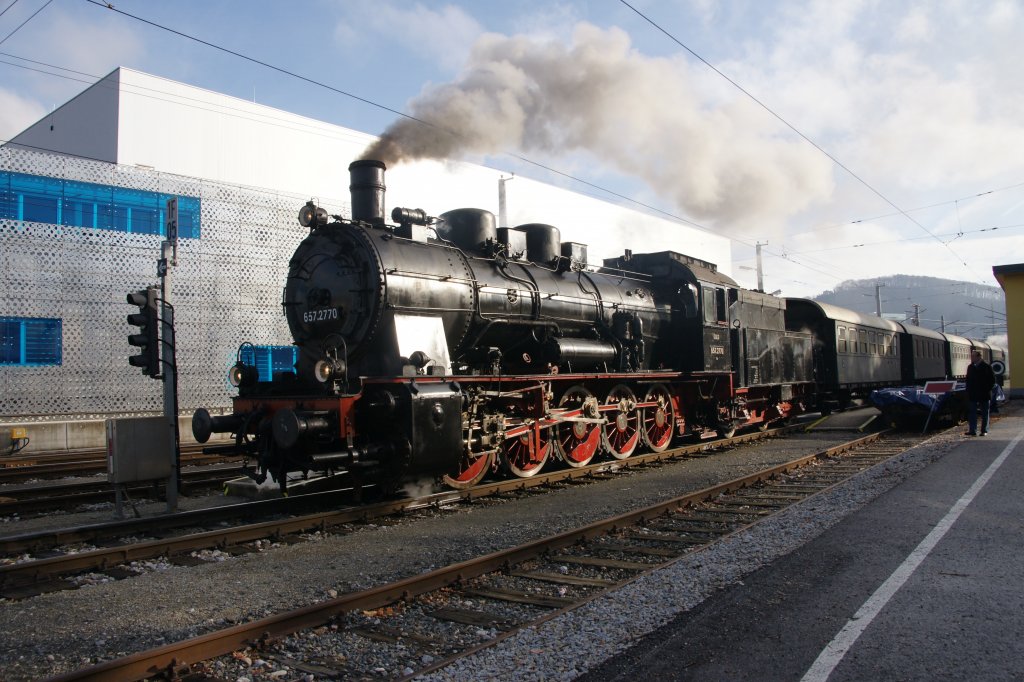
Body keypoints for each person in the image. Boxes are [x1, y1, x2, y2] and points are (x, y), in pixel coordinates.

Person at [964, 349, 996, 436]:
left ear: (979, 357)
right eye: (971, 356)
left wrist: (987, 389)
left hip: (984, 393)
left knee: (985, 413)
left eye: (973, 356)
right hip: (973, 393)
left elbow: (992, 380)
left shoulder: (987, 367)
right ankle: (972, 430)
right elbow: (968, 380)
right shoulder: (970, 367)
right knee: (972, 413)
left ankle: (984, 430)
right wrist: (968, 390)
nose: (972, 358)